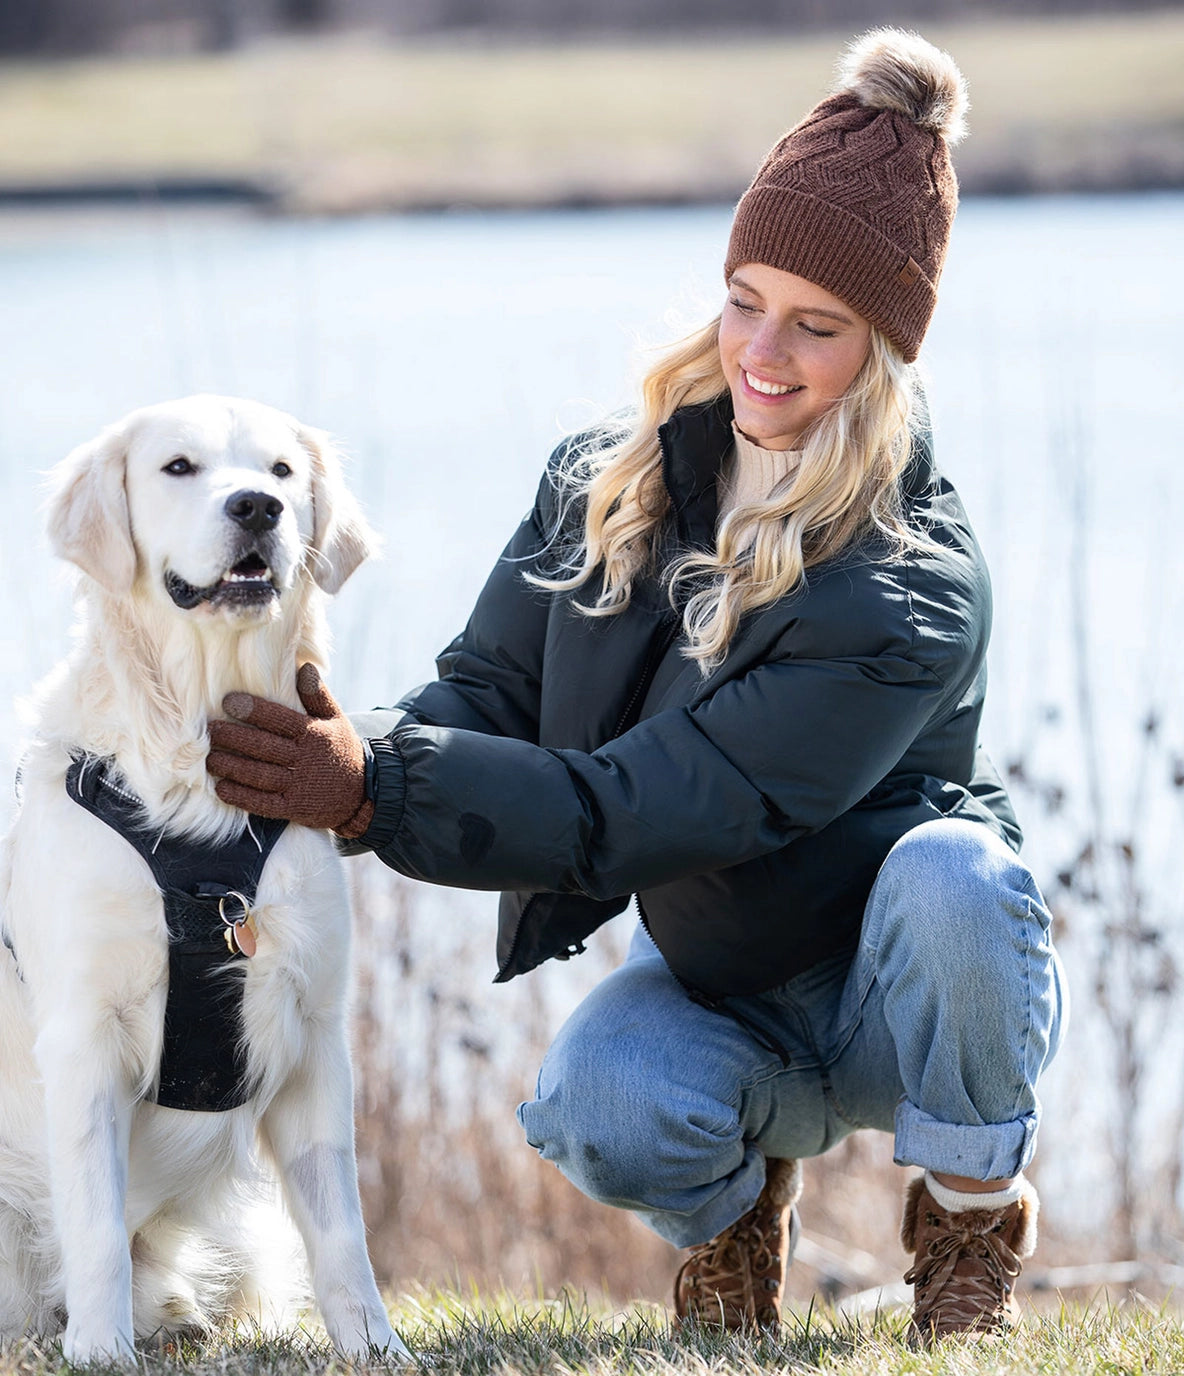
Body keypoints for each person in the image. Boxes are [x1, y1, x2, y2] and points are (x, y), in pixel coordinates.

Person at [206, 27, 1067, 1341]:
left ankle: (969, 1219)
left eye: (817, 326)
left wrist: (380, 790)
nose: (762, 355)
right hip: (727, 989)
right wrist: (345, 760)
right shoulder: (609, 479)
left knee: (962, 881)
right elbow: (491, 684)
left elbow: (652, 804)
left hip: (899, 992)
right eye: (744, 300)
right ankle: (736, 1214)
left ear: (887, 351)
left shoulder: (913, 581)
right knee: (597, 1108)